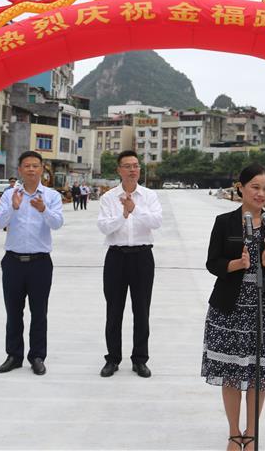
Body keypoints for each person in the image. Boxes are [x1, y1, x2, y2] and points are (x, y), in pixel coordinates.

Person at [202, 164, 265, 451]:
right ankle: (233, 433)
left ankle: (251, 433)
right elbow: (212, 262)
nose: (261, 194)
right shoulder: (224, 222)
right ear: (240, 188)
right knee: (231, 373)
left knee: (259, 374)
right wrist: (237, 264)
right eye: (255, 187)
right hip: (229, 310)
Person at [0, 151, 64, 376]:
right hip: (13, 262)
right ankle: (14, 356)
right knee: (13, 312)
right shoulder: (10, 195)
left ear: (42, 169)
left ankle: (37, 356)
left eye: (35, 165)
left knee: (39, 312)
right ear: (20, 170)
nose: (31, 169)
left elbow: (57, 223)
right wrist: (13, 207)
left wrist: (44, 210)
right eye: (27, 166)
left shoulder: (51, 196)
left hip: (40, 263)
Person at [97, 151, 163, 378]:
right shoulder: (108, 198)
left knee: (141, 310)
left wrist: (135, 209)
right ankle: (112, 359)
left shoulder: (149, 196)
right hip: (116, 257)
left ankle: (140, 359)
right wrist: (123, 215)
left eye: (136, 165)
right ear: (119, 170)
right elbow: (104, 227)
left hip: (142, 257)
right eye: (127, 166)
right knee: (114, 311)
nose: (133, 170)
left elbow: (156, 221)